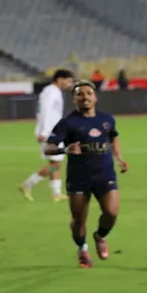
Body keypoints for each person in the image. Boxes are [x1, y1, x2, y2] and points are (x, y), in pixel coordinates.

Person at [43, 80, 128, 268]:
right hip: (78, 178)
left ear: (95, 97)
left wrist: (119, 158)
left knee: (111, 212)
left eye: (89, 93)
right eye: (80, 94)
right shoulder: (67, 123)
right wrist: (65, 150)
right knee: (78, 221)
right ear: (74, 99)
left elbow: (113, 137)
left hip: (105, 174)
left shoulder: (106, 119)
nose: (85, 97)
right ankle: (82, 248)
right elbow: (48, 148)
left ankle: (100, 236)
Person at [19, 69, 74, 201]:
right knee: (55, 165)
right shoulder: (51, 92)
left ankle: (56, 193)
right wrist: (44, 132)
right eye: (69, 81)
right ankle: (27, 184)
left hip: (53, 132)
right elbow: (45, 111)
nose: (70, 84)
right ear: (60, 79)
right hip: (49, 133)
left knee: (55, 163)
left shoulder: (53, 91)